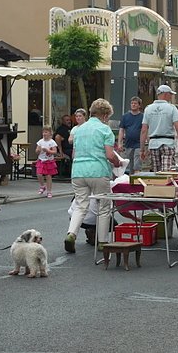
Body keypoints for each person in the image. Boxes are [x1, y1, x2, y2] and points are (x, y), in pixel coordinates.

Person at [64, 98, 122, 253]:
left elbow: (75, 153)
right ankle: (102, 242)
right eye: (108, 116)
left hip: (78, 171)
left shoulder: (79, 129)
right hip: (98, 171)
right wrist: (117, 163)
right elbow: (110, 155)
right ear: (104, 115)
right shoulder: (105, 130)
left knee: (80, 205)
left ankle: (71, 234)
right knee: (103, 206)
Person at [139, 84, 178, 172]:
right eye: (170, 94)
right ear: (165, 94)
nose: (171, 97)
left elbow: (144, 130)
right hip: (168, 143)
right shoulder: (171, 108)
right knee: (167, 172)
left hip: (153, 144)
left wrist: (142, 149)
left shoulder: (148, 109)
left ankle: (158, 185)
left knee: (156, 172)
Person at [117, 96, 143, 174]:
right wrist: (119, 143)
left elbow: (145, 130)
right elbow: (121, 130)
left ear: (139, 105)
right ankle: (130, 180)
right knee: (129, 164)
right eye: (132, 103)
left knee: (137, 164)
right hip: (128, 144)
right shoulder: (125, 116)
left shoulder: (142, 116)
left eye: (135, 103)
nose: (133, 105)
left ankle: (137, 178)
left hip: (139, 144)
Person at [35, 125, 58, 198]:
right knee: (39, 174)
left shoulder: (52, 142)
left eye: (46, 132)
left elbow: (55, 151)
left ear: (50, 133)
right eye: (43, 132)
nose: (44, 134)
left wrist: (48, 150)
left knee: (48, 176)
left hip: (49, 161)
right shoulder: (40, 141)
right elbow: (37, 150)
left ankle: (49, 191)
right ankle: (42, 186)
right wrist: (38, 150)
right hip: (41, 160)